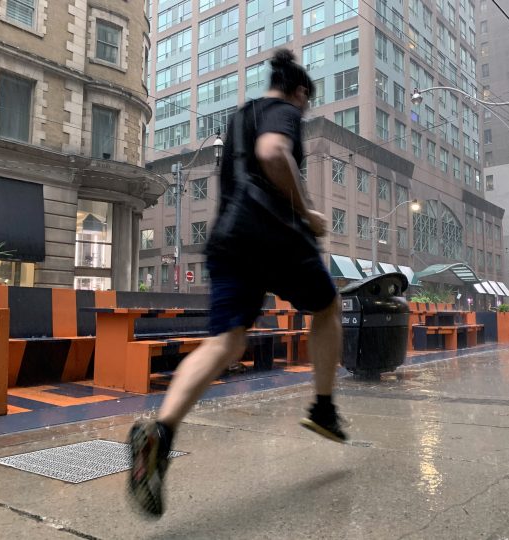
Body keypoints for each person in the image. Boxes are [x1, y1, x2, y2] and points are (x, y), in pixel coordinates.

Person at [128, 49, 347, 518]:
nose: (302, 113)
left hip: (228, 236)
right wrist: (306, 210)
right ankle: (325, 408)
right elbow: (273, 153)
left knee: (225, 341)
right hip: (273, 232)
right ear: (301, 91)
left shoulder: (240, 116)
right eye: (306, 104)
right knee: (327, 306)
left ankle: (161, 433)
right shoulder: (283, 111)